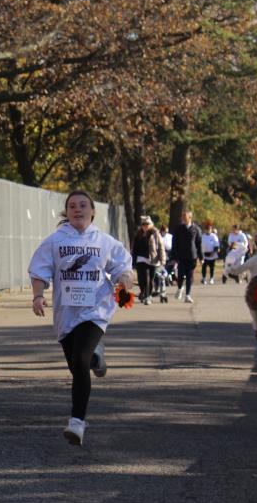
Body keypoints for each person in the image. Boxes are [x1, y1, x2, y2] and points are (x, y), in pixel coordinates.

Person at [29, 190, 134, 446]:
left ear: (92, 211)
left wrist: (124, 283)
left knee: (80, 359)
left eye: (83, 205)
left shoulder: (104, 241)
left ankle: (77, 422)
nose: (78, 209)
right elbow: (39, 270)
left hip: (96, 309)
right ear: (67, 212)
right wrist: (38, 296)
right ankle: (96, 358)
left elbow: (122, 267)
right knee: (77, 366)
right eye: (73, 206)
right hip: (66, 313)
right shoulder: (55, 241)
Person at [131, 216, 166, 305]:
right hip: (140, 259)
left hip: (152, 260)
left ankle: (148, 295)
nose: (145, 226)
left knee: (150, 279)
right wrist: (133, 261)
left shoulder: (155, 234)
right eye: (143, 224)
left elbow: (161, 247)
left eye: (147, 224)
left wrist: (162, 260)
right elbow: (134, 249)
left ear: (151, 224)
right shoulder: (138, 234)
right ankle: (144, 293)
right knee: (142, 279)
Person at [171, 210, 202, 303]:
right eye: (182, 216)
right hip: (181, 256)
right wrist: (173, 257)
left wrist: (201, 257)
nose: (183, 218)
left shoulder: (196, 229)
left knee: (189, 275)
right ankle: (180, 288)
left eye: (185, 216)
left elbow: (199, 244)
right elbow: (174, 243)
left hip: (192, 256)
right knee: (180, 274)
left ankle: (187, 295)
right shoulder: (178, 228)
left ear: (190, 217)